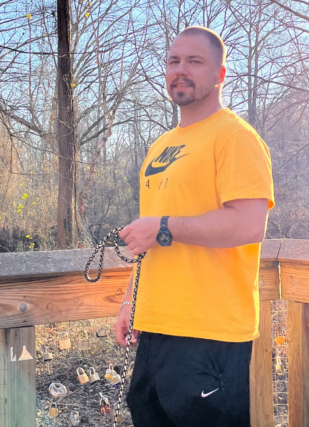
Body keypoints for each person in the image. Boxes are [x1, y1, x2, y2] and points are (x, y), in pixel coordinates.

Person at [117, 26, 275, 427]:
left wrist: (164, 227)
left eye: (194, 61)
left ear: (220, 75)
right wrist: (129, 303)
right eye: (173, 61)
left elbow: (248, 224)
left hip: (211, 336)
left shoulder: (235, 137)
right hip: (155, 328)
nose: (180, 69)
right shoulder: (161, 146)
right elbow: (149, 236)